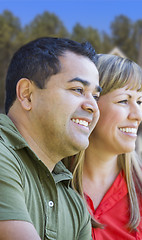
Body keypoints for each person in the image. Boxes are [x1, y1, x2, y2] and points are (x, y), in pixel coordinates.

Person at [0, 37, 101, 239]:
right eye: (78, 90)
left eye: (95, 96)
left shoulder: (74, 205)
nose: (93, 107)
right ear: (27, 95)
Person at [68, 54, 142, 240]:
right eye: (124, 100)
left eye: (139, 102)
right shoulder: (48, 181)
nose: (138, 115)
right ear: (90, 105)